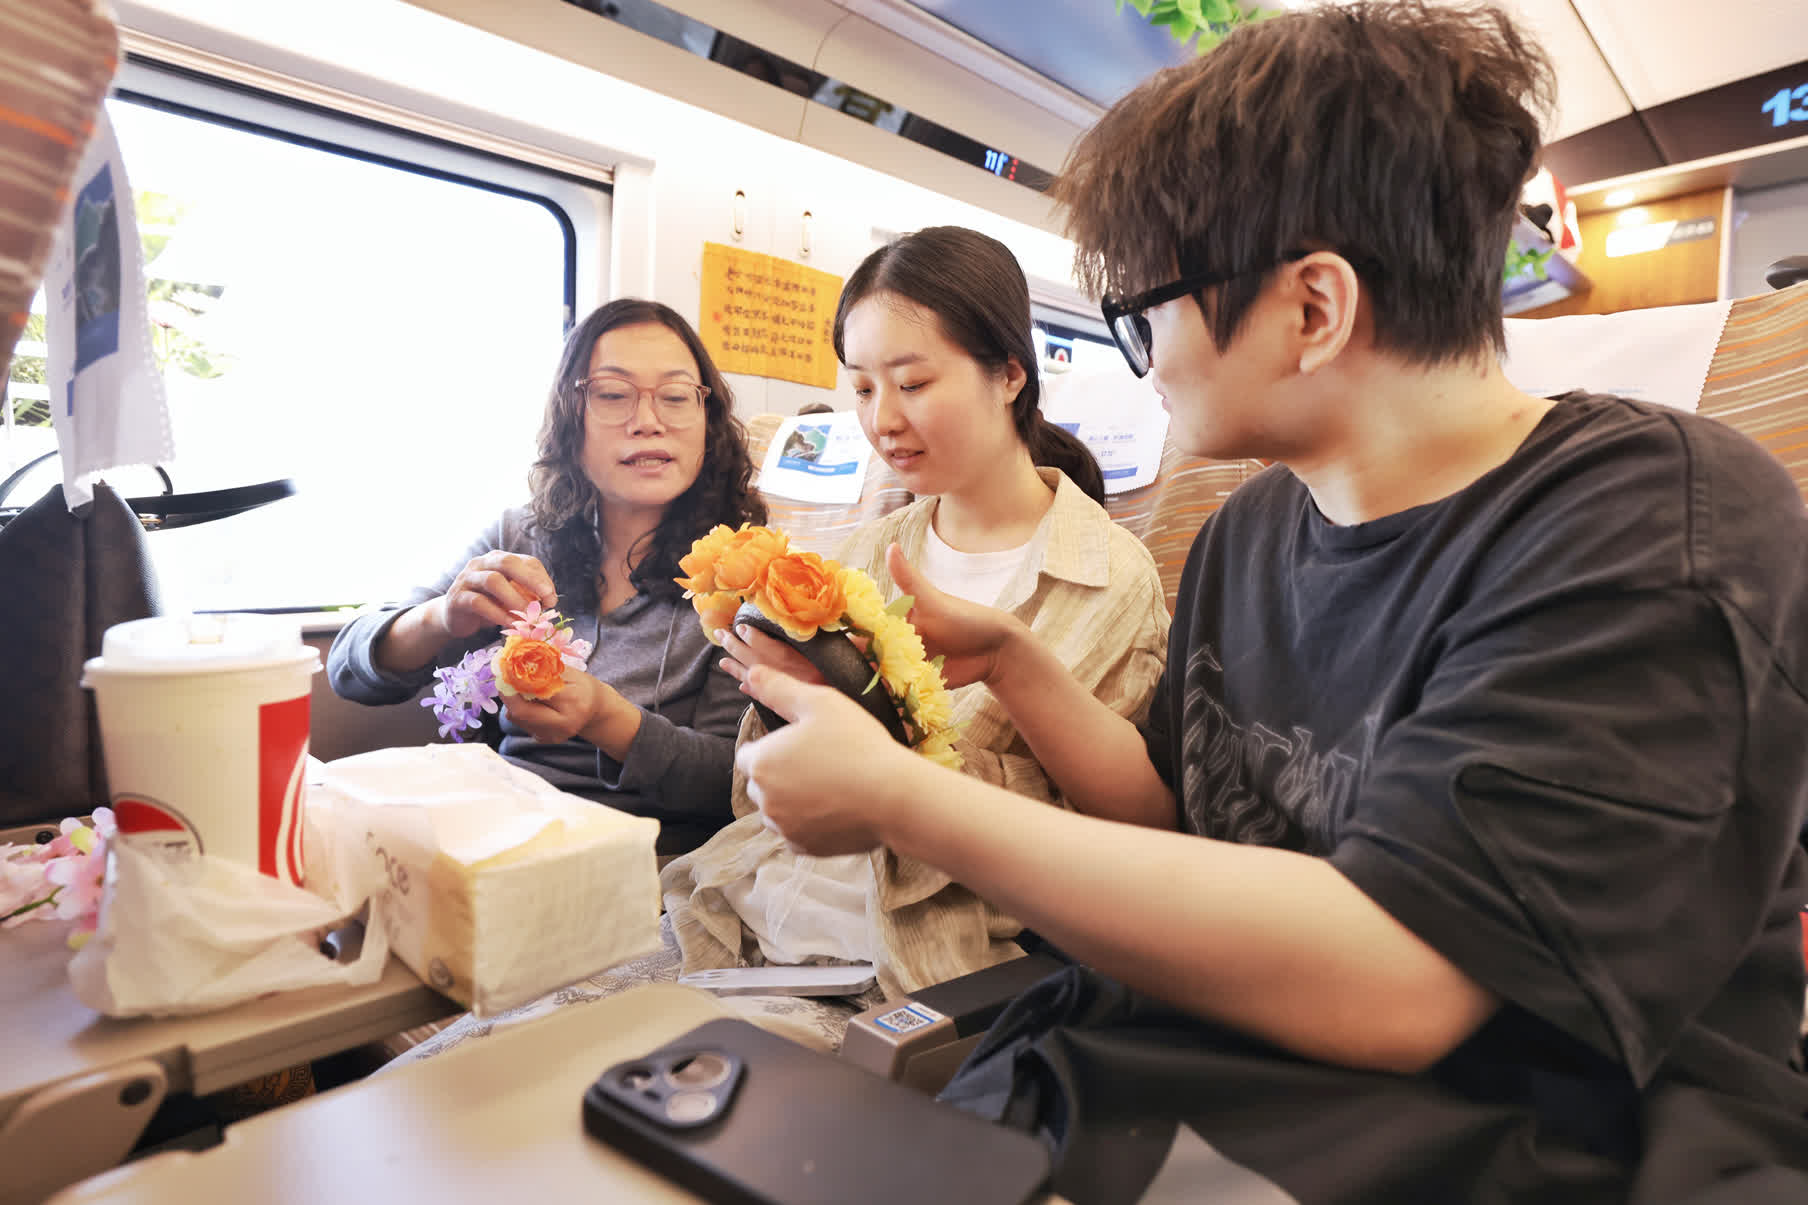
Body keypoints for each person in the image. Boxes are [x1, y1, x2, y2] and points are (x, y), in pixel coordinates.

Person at [728, 4, 1808, 1202]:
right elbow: (1169, 817)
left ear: (1311, 309)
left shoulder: (1657, 519)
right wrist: (1017, 663)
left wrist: (906, 799)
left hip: (1543, 1130)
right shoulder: (1250, 530)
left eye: (1143, 316)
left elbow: (1400, 979)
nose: (1142, 358)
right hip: (1233, 1072)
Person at [662, 226, 1170, 999]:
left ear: (1009, 374)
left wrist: (886, 764)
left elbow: (1109, 839)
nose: (884, 420)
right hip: (752, 911)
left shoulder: (1109, 577)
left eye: (914, 383)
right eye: (864, 389)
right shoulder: (863, 553)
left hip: (933, 957)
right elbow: (757, 796)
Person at [329, 299, 765, 856]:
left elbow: (738, 784)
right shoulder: (519, 535)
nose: (648, 421)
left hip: (654, 865)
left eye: (676, 396)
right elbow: (347, 671)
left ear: (707, 420)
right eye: (613, 394)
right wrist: (441, 619)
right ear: (570, 417)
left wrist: (606, 718)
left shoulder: (745, 573)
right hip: (503, 834)